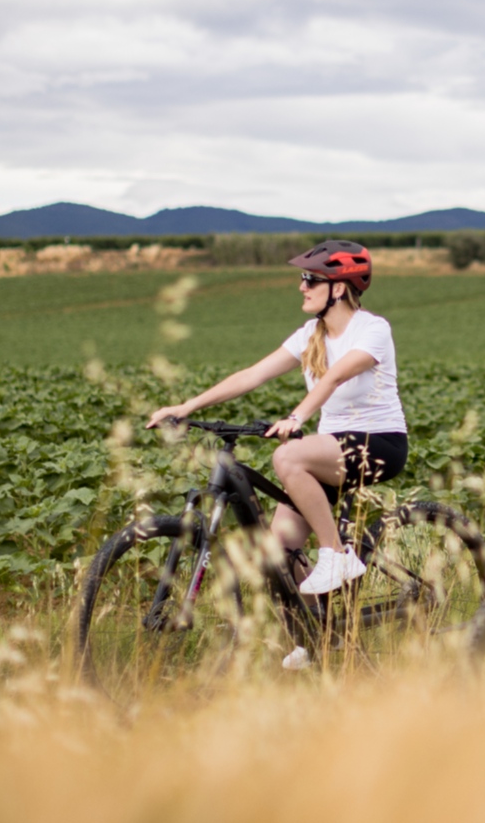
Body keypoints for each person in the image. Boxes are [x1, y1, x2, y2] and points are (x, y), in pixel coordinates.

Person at [146, 240, 409, 636]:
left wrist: (297, 416)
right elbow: (252, 375)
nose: (301, 286)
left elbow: (337, 375)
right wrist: (186, 407)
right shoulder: (310, 335)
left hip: (379, 443)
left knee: (288, 457)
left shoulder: (372, 329)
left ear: (338, 288)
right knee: (276, 554)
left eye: (310, 279)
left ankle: (336, 555)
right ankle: (316, 637)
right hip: (330, 450)